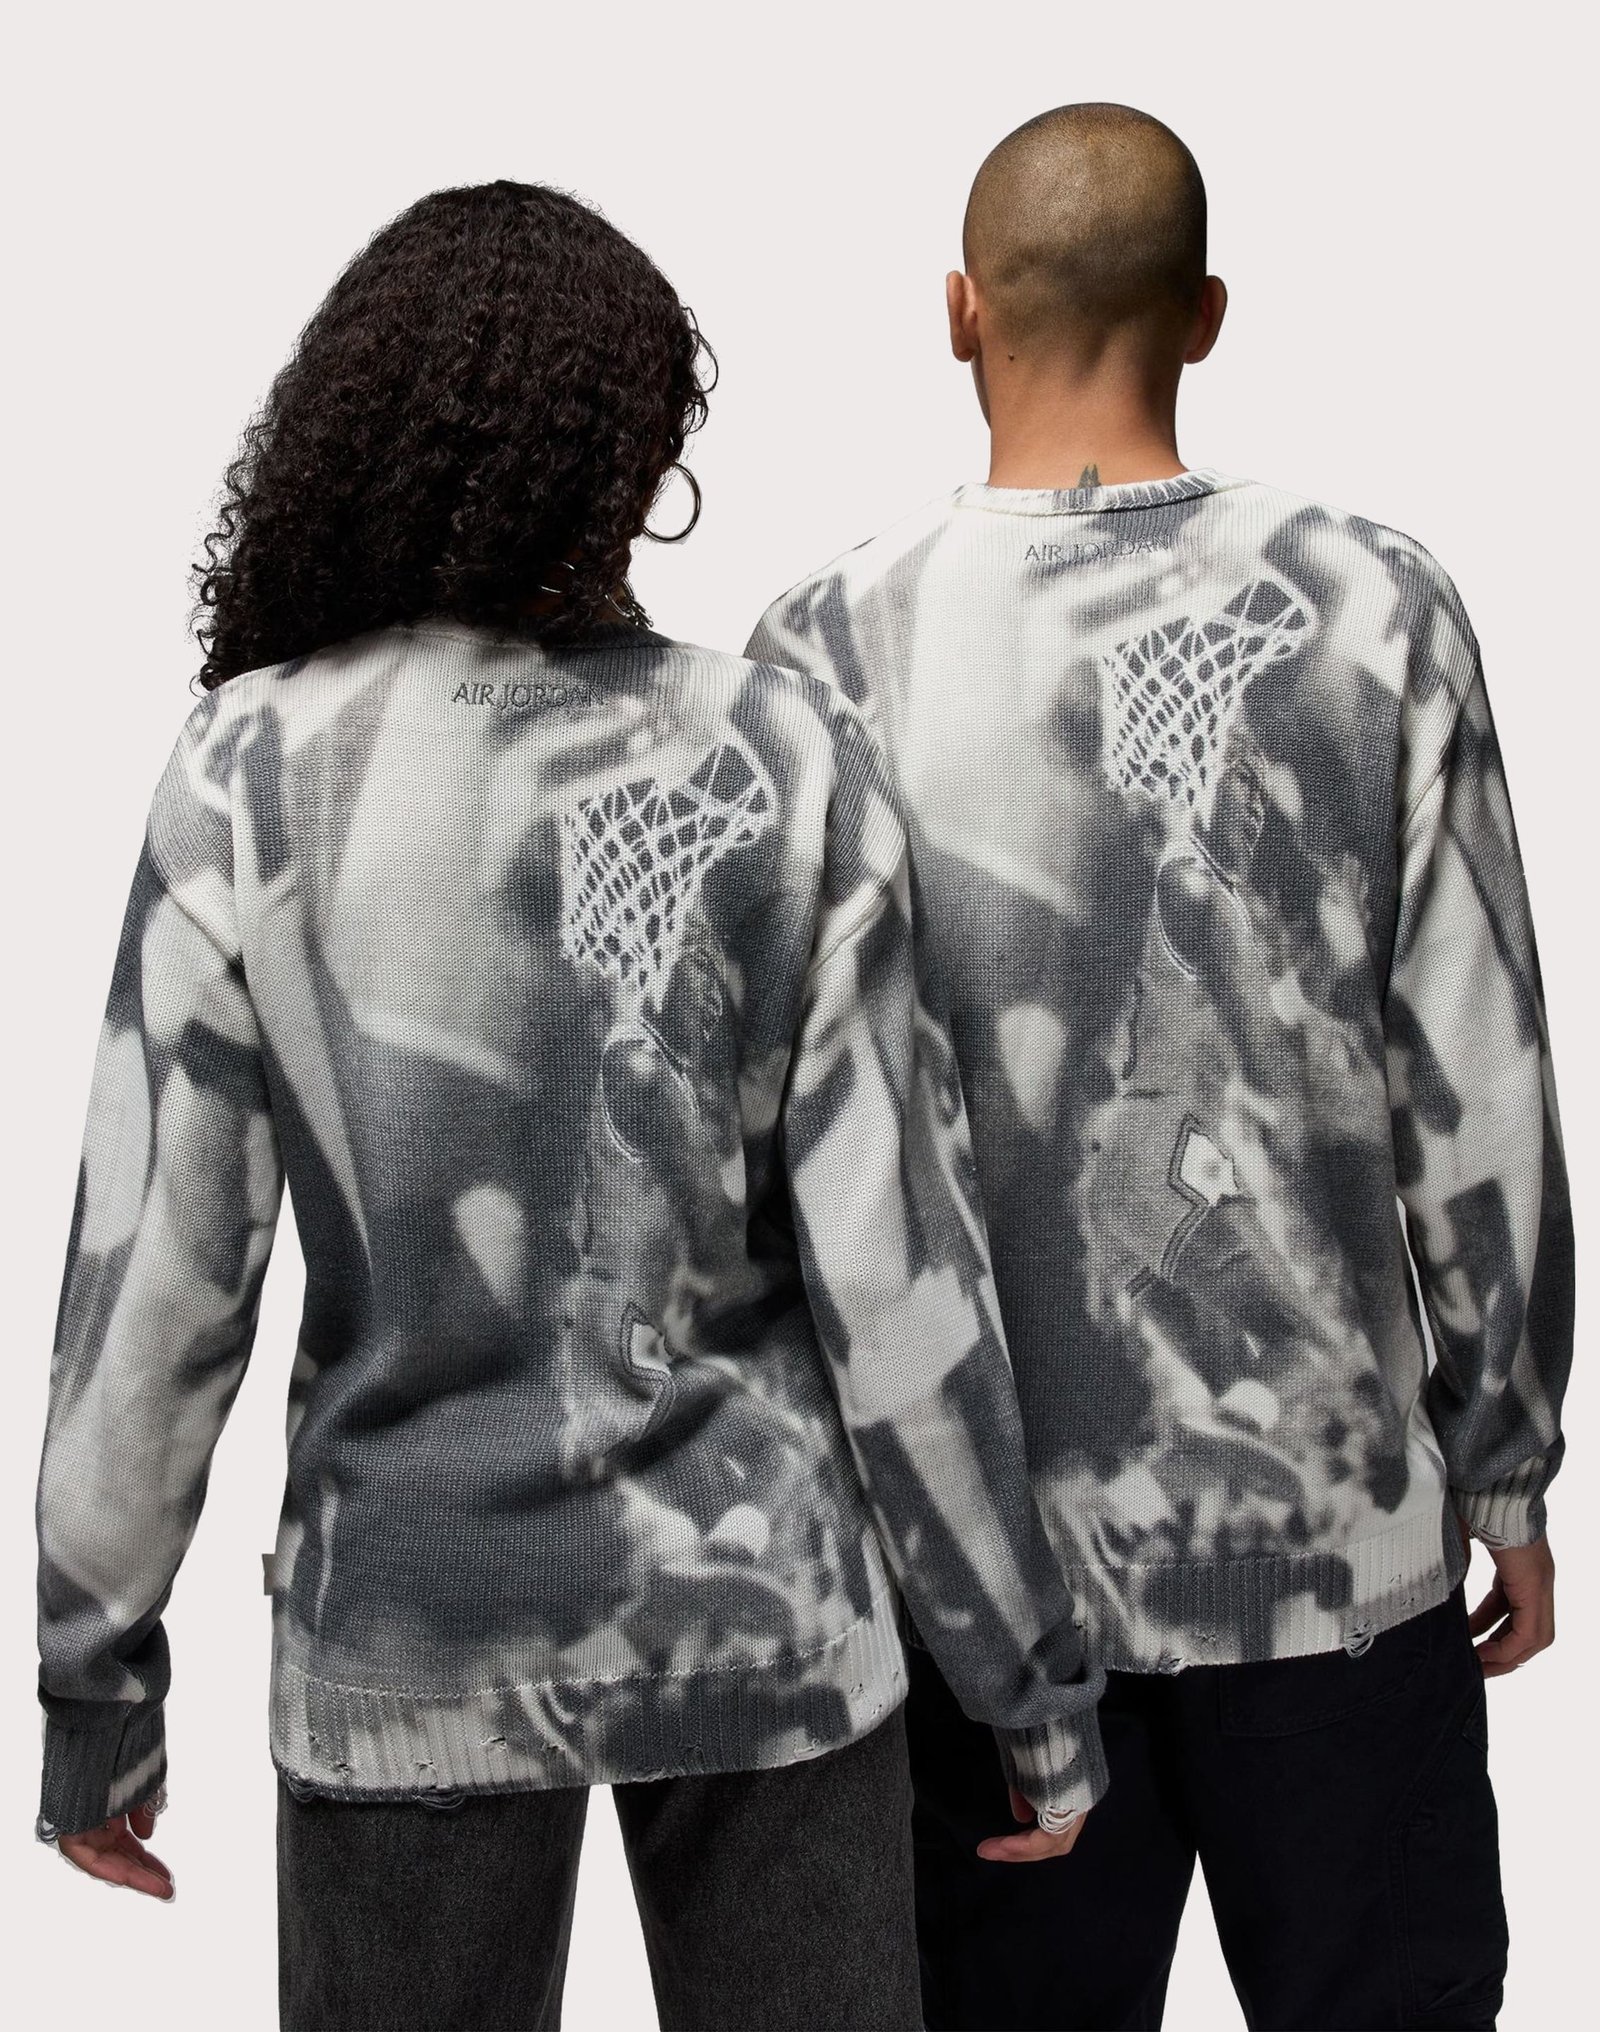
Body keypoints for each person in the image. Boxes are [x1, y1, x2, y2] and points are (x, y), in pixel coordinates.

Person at [33, 180, 1106, 2032]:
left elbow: (159, 1287)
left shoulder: (247, 771)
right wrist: (1025, 1678)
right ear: (631, 448)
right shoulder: (782, 748)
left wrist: (95, 1678)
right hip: (764, 1618)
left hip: (408, 1631)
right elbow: (898, 1280)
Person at [747, 104, 1573, 2032]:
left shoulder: (820, 653)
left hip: (987, 1600)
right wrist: (1509, 1468)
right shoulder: (1377, 604)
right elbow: (1478, 1084)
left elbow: (781, 1160)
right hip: (1335, 1556)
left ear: (960, 313)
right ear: (1205, 316)